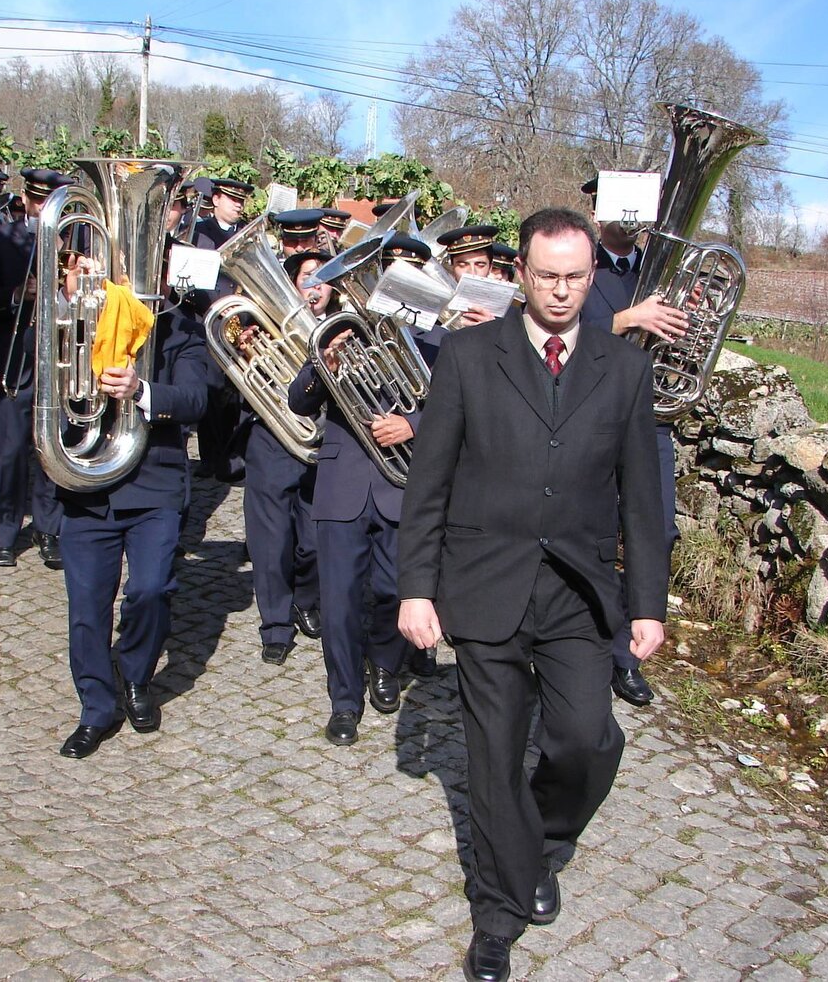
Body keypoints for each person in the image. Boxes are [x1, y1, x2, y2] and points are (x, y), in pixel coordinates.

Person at [397, 208, 668, 982]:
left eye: (575, 278)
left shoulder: (625, 369)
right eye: (546, 276)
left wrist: (647, 603)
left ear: (592, 276)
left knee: (587, 739)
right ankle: (497, 914)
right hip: (483, 586)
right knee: (490, 756)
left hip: (579, 594)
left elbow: (642, 498)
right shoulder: (469, 354)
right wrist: (417, 589)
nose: (560, 292)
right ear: (520, 272)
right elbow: (430, 482)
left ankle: (540, 837)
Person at [288, 233, 434, 746]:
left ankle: (386, 667)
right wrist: (324, 365)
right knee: (341, 599)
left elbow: (461, 405)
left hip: (403, 482)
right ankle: (344, 700)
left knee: (398, 590)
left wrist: (414, 424)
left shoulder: (435, 339)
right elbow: (299, 402)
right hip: (342, 483)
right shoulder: (341, 331)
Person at [57, 289, 208, 759]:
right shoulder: (73, 320)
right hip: (85, 484)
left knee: (150, 589)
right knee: (87, 610)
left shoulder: (180, 326)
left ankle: (137, 675)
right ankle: (96, 709)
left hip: (152, 483)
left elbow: (195, 399)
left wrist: (141, 390)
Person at [580, 174, 688, 707]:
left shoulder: (661, 268)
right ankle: (585, 643)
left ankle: (626, 654)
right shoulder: (580, 261)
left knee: (658, 532)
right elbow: (557, 331)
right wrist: (626, 318)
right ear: (597, 208)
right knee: (590, 534)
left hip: (651, 419)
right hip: (592, 415)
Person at [0, 168, 72, 569]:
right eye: (40, 201)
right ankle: (6, 533)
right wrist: (16, 293)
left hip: (58, 359)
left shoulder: (74, 239)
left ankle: (48, 530)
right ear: (27, 200)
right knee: (9, 452)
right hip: (14, 359)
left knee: (51, 451)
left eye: (53, 202)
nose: (45, 208)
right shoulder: (1, 237)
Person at [235, 250, 328, 666]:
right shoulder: (264, 325)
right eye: (308, 278)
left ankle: (305, 598)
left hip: (324, 446)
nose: (316, 288)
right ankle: (275, 625)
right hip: (272, 440)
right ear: (292, 283)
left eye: (324, 279)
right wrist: (244, 348)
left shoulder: (344, 328)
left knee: (312, 542)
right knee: (270, 544)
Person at [191, 177, 252, 481]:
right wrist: (214, 308)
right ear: (215, 200)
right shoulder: (200, 231)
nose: (238, 204)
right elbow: (194, 276)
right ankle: (210, 456)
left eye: (241, 200)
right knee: (211, 392)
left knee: (238, 394)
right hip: (210, 320)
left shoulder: (248, 234)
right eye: (232, 199)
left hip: (240, 323)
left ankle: (233, 454)